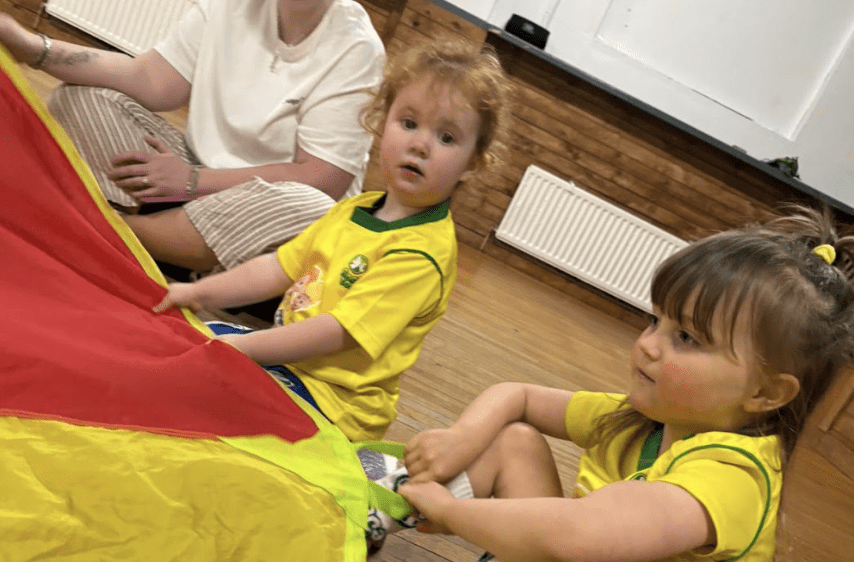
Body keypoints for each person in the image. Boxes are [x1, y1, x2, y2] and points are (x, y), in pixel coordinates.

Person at [394, 205, 854, 561]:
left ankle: (413, 503)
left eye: (687, 338)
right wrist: (461, 437)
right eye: (655, 321)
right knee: (513, 441)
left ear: (765, 393)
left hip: (578, 545)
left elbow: (579, 536)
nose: (650, 345)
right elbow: (519, 396)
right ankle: (395, 507)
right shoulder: (648, 419)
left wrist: (456, 513)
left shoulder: (733, 478)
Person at [152, 39, 512, 442]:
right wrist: (200, 291)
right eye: (409, 123)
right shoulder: (356, 208)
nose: (420, 144)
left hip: (332, 407)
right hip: (291, 369)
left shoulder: (421, 254)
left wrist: (247, 349)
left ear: (472, 165)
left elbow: (334, 332)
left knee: (196, 392)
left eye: (446, 138)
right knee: (177, 343)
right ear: (381, 123)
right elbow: (277, 267)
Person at [0, 0, 385, 273]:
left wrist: (191, 182)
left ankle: (109, 228)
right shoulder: (228, 6)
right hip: (193, 188)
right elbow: (151, 80)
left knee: (309, 206)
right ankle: (174, 249)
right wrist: (34, 48)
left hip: (261, 207)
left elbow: (322, 179)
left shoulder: (357, 47)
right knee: (81, 98)